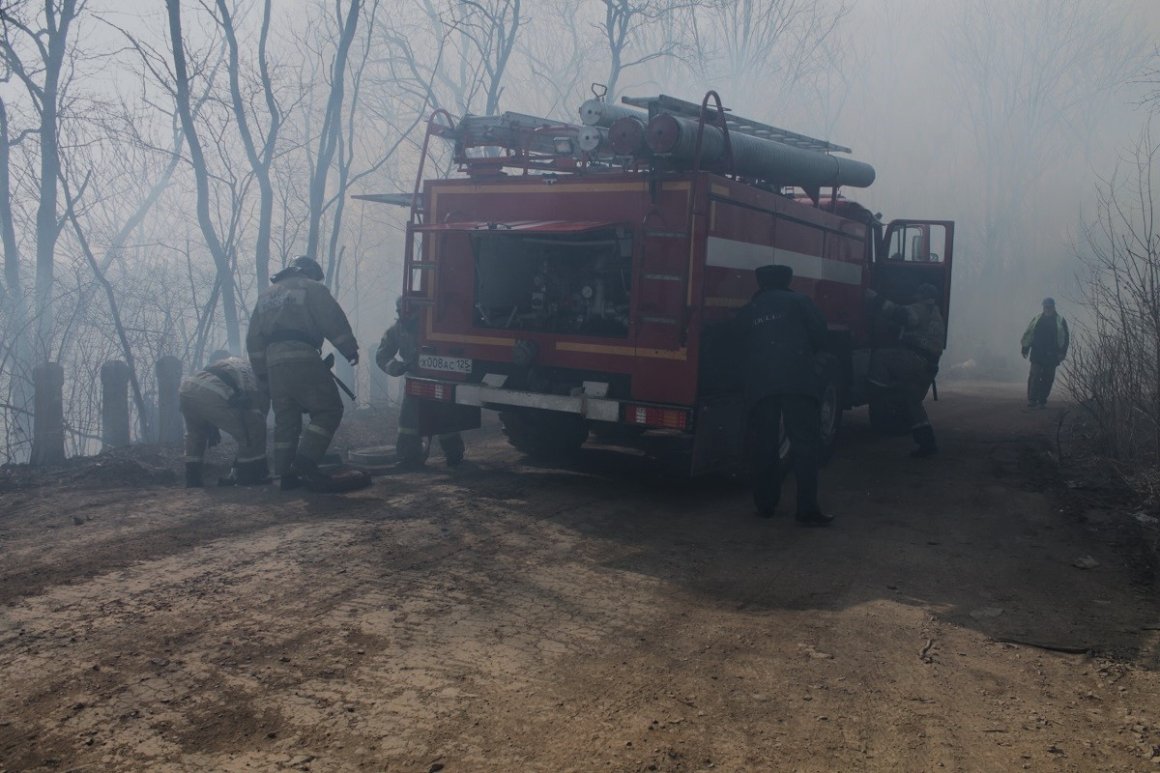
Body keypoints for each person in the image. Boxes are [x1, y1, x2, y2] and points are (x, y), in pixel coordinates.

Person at [246, 255, 360, 491]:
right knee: (329, 410)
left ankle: (285, 475)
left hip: (273, 364)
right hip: (302, 354)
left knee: (286, 420)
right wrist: (349, 348)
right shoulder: (311, 287)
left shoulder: (266, 295)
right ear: (309, 272)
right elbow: (331, 319)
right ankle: (305, 461)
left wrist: (262, 374)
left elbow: (253, 339)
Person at [734, 264, 832, 526]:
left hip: (761, 385)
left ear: (760, 283)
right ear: (788, 280)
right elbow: (822, 335)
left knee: (765, 446)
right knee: (804, 446)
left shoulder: (750, 309)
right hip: (798, 382)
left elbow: (736, 340)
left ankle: (765, 505)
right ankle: (807, 510)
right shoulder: (801, 301)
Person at [376, 297, 465, 467]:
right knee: (408, 422)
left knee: (445, 416)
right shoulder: (396, 330)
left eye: (407, 310)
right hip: (414, 380)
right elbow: (382, 355)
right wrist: (396, 367)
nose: (403, 314)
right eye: (399, 310)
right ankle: (408, 457)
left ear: (418, 310)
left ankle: (454, 454)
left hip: (440, 378)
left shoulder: (435, 326)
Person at [865, 283, 946, 458]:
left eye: (917, 293)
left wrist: (874, 298)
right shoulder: (937, 314)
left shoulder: (921, 308)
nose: (914, 296)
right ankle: (927, 443)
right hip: (929, 366)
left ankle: (877, 393)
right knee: (913, 402)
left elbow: (901, 315)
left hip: (914, 360)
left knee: (880, 357)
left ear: (923, 295)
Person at [179, 353, 269, 488]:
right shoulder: (254, 374)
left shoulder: (231, 363)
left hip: (187, 389)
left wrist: (212, 422)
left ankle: (193, 479)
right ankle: (247, 476)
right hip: (212, 392)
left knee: (195, 434)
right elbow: (255, 414)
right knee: (252, 431)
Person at [1021, 297, 1069, 409]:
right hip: (1037, 353)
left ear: (1053, 307)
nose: (1047, 309)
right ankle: (1032, 399)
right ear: (1043, 307)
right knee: (1035, 375)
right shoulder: (1037, 319)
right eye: (1045, 306)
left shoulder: (1060, 320)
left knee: (1048, 378)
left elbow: (1065, 338)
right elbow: (1029, 333)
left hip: (1052, 354)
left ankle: (1042, 400)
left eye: (1049, 307)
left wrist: (1062, 352)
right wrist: (1025, 348)